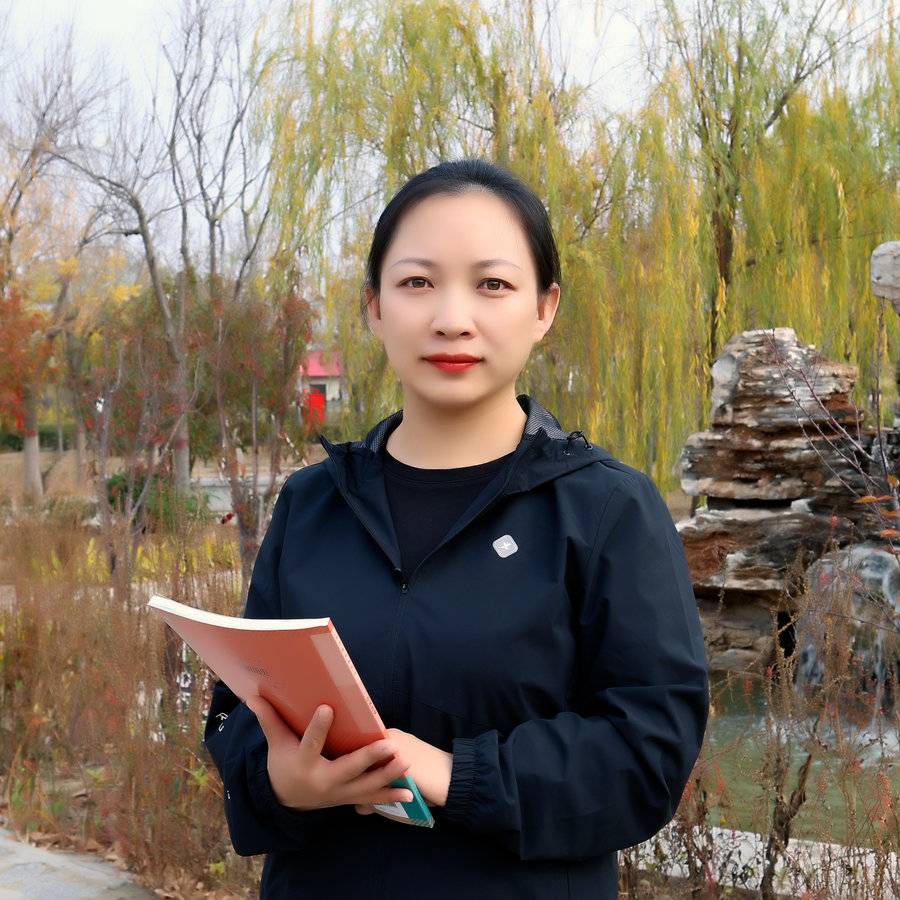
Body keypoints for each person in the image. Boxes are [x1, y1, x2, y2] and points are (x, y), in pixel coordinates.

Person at [202, 158, 710, 899]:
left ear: (545, 308)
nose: (451, 317)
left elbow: (650, 752)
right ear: (375, 307)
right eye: (417, 282)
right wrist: (282, 780)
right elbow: (238, 716)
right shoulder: (313, 504)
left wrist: (456, 773)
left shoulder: (606, 509)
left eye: (492, 284)